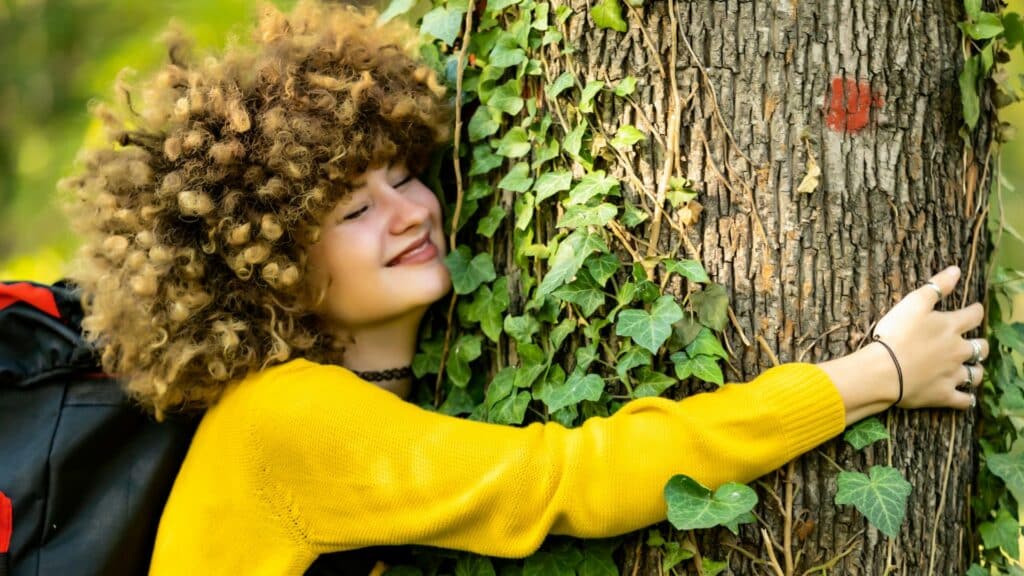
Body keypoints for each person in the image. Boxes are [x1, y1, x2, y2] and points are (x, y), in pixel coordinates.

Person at [61, 1, 988, 573]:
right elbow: (568, 482)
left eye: (403, 173)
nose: (409, 211)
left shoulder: (340, 402)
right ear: (269, 268)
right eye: (351, 211)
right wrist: (873, 375)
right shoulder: (293, 421)